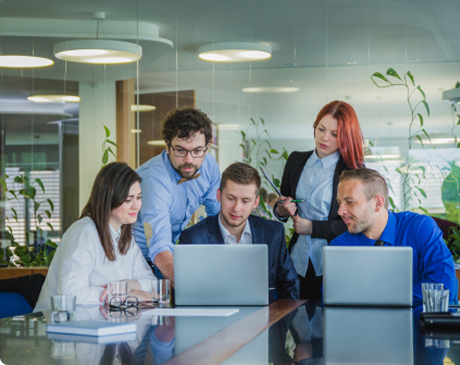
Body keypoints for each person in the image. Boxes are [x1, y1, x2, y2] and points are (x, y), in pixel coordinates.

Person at [34, 162, 156, 312]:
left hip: (104, 323)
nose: (136, 206)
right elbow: (70, 293)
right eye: (128, 199)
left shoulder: (125, 237)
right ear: (109, 199)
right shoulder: (83, 232)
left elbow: (152, 283)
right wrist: (123, 296)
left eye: (139, 197)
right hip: (63, 325)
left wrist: (129, 285)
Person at [274, 100, 365, 300]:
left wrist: (312, 228)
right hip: (297, 260)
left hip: (334, 262)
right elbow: (284, 202)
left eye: (334, 134)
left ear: (345, 137)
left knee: (330, 326)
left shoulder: (353, 172)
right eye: (321, 129)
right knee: (295, 325)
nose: (324, 138)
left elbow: (357, 224)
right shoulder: (296, 161)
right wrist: (281, 210)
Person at [331, 168, 457, 302]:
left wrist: (377, 296)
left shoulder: (420, 229)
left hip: (417, 322)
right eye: (339, 203)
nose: (340, 211)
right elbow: (332, 300)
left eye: (350, 202)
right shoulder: (340, 247)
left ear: (377, 203)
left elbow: (444, 288)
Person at [179, 162, 299, 299]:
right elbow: (187, 296)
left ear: (255, 202)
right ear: (219, 195)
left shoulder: (273, 233)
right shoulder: (193, 239)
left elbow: (291, 287)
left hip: (265, 317)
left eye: (245, 201)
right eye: (231, 198)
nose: (236, 208)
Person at [134, 108, 221, 283]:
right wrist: (189, 286)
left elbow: (217, 217)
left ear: (207, 148)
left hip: (172, 255)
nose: (189, 160)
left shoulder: (209, 165)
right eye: (181, 150)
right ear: (167, 146)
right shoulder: (155, 180)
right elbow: (158, 244)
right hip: (139, 261)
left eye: (197, 150)